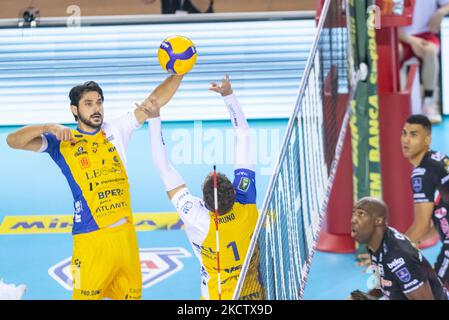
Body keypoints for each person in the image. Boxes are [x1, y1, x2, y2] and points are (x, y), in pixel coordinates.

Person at [6, 75, 183, 299]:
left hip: (126, 239)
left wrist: (179, 72)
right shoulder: (62, 142)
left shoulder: (116, 129)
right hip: (90, 242)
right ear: (74, 109)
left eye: (99, 102)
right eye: (88, 104)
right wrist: (47, 127)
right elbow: (13, 141)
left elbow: (153, 101)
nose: (96, 108)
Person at [147, 74, 262, 300]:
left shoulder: (197, 216)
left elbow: (164, 168)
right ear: (233, 189)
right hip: (252, 294)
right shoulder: (246, 201)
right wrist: (229, 96)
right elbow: (244, 136)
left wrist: (154, 118)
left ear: (206, 203)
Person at [349, 197, 448, 300]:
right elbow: (388, 282)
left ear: (378, 221)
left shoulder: (399, 258)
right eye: (353, 213)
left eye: (361, 214)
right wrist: (367, 297)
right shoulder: (377, 242)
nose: (353, 220)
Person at [401, 114, 449, 291]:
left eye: (414, 135)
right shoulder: (440, 158)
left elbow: (421, 226)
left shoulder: (421, 174)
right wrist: (412, 242)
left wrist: (391, 251)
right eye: (404, 133)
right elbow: (434, 227)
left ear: (427, 139)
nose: (406, 140)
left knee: (433, 292)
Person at [398, 0, 449, 124]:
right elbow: (382, 18)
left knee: (431, 51)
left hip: (425, 34)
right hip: (400, 35)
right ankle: (399, 104)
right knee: (394, 53)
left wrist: (441, 11)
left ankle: (428, 102)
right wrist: (412, 41)